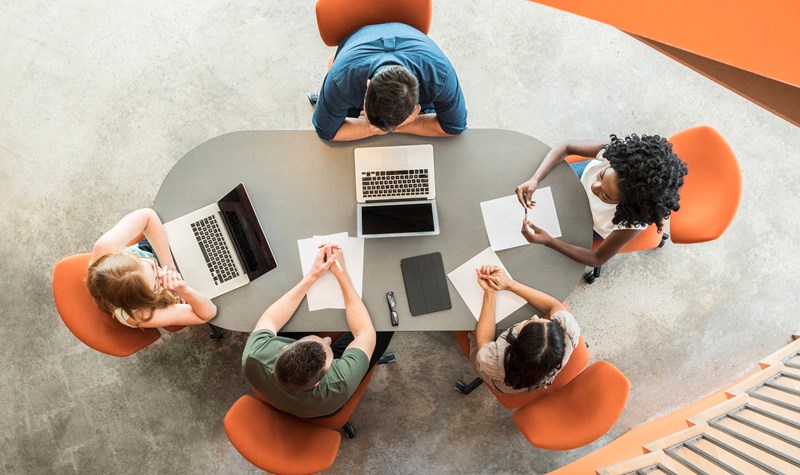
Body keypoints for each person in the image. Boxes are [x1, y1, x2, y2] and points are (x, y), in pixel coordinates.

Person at [241, 244, 393, 418]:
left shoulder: (254, 355)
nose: (328, 338)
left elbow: (270, 319)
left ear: (285, 348)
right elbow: (364, 332)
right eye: (328, 347)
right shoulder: (339, 383)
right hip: (319, 409)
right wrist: (342, 275)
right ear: (317, 383)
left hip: (276, 392)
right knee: (383, 325)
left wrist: (313, 275)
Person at [515, 134, 688, 267]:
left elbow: (597, 258)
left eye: (605, 195)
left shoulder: (631, 224)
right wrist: (535, 179)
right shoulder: (617, 157)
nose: (594, 187)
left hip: (590, 223)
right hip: (577, 178)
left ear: (625, 206)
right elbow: (566, 147)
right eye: (602, 175)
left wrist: (549, 241)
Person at [311, 22, 467, 141]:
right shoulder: (341, 80)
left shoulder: (440, 76)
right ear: (368, 84)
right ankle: (330, 102)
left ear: (415, 106)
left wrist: (381, 127)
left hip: (417, 52)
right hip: (356, 52)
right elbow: (326, 131)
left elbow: (455, 127)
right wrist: (396, 125)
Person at [86, 208, 217, 328]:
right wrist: (183, 290)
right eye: (155, 283)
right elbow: (207, 314)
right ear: (144, 300)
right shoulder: (141, 315)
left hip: (149, 251)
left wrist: (170, 267)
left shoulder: (105, 248)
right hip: (172, 292)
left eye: (152, 266)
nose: (161, 273)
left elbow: (147, 215)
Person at [470, 266, 580, 395]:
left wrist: (490, 292)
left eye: (529, 323)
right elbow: (554, 306)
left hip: (504, 378)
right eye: (543, 320)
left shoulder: (492, 359)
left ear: (514, 343)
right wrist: (511, 284)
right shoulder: (568, 329)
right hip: (537, 372)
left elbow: (484, 341)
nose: (534, 317)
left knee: (473, 329)